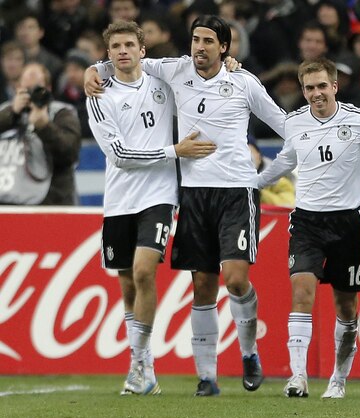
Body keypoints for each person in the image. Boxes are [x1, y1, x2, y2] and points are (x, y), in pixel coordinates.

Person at [86, 14, 286, 397]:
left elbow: (285, 126)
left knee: (234, 279)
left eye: (209, 41)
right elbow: (119, 65)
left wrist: (268, 175)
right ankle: (204, 378)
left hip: (224, 191)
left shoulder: (239, 80)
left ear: (224, 47)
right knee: (200, 285)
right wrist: (90, 70)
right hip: (188, 193)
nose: (200, 47)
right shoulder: (172, 72)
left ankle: (248, 352)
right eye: (196, 39)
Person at [86, 20, 216, 396]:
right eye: (116, 47)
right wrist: (174, 151)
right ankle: (144, 366)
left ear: (143, 50)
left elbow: (203, 67)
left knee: (144, 271)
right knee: (128, 282)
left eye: (130, 44)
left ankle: (138, 365)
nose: (123, 51)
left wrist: (232, 64)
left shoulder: (164, 83)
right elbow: (119, 155)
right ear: (108, 55)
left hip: (158, 195)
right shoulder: (99, 95)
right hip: (119, 199)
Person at [258, 58, 360, 399]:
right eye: (309, 88)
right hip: (307, 222)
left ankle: (338, 378)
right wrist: (253, 183)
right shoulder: (295, 123)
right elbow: (285, 161)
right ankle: (298, 377)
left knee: (346, 308)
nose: (316, 94)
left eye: (322, 86)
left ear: (335, 86)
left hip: (347, 224)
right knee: (301, 293)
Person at [0, 62, 81, 205]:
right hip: (8, 203)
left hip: (51, 203)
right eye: (26, 89)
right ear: (18, 88)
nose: (31, 95)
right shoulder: (6, 111)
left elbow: (69, 154)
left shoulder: (62, 113)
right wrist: (12, 113)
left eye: (37, 89)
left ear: (48, 88)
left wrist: (44, 126)